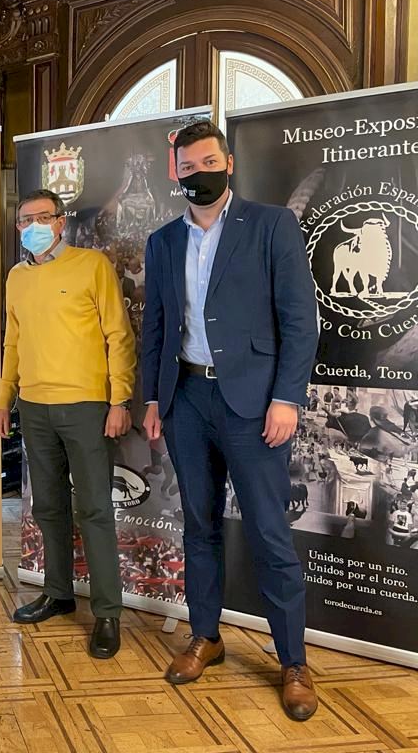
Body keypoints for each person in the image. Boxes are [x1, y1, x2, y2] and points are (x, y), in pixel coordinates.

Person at [141, 121, 319, 720]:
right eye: (188, 167)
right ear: (175, 173)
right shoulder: (164, 241)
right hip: (186, 401)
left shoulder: (272, 225)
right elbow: (156, 327)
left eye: (208, 163)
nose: (199, 174)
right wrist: (152, 400)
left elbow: (300, 321)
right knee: (199, 526)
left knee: (269, 532)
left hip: (254, 404)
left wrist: (287, 398)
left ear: (229, 163)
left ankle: (293, 661)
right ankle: (206, 636)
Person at [0, 188, 136, 659]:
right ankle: (58, 593)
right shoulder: (16, 277)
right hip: (34, 407)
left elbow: (118, 335)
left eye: (42, 217)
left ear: (60, 221)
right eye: (24, 220)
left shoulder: (91, 265)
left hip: (86, 406)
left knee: (94, 509)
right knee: (49, 507)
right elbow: (13, 342)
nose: (33, 226)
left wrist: (119, 400)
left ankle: (107, 613)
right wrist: (4, 399)